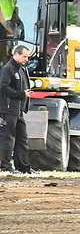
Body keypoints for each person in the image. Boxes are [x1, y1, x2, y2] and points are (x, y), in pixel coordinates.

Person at [0, 45, 37, 174]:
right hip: (8, 110)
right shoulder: (8, 69)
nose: (26, 59)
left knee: (22, 138)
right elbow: (4, 87)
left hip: (19, 110)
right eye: (24, 56)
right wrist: (21, 94)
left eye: (27, 57)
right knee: (8, 138)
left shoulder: (22, 70)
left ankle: (23, 167)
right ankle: (5, 166)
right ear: (16, 54)